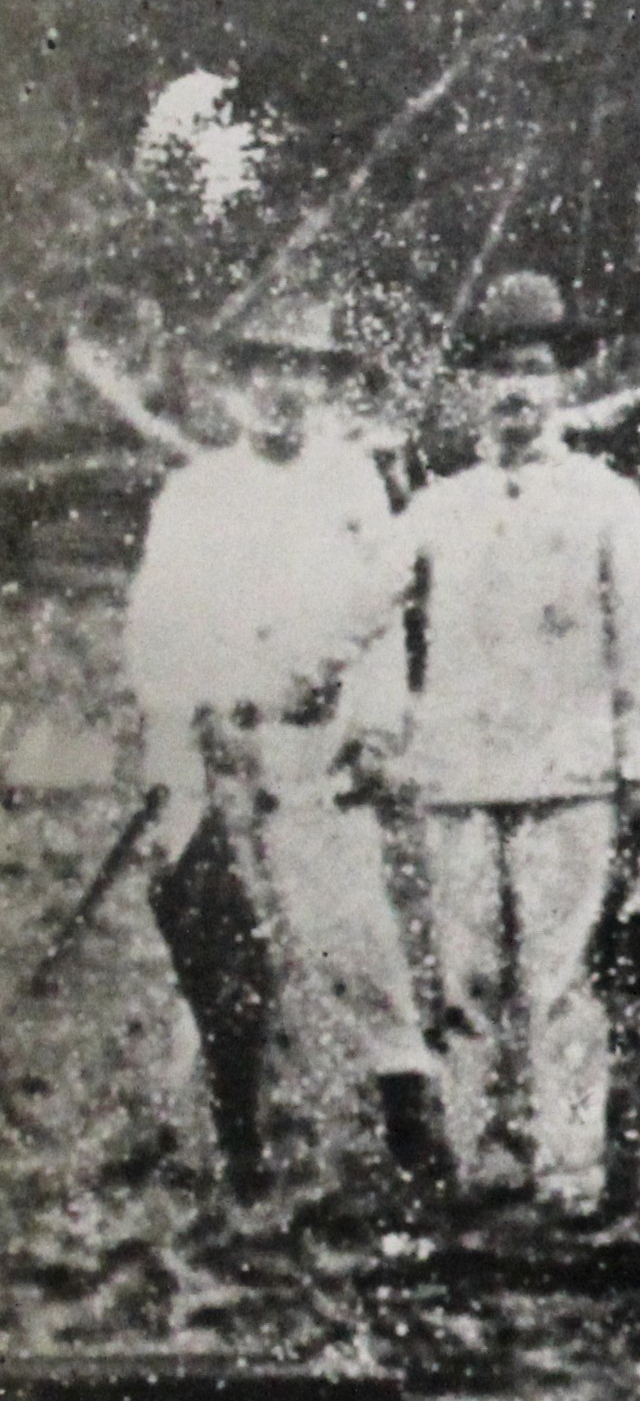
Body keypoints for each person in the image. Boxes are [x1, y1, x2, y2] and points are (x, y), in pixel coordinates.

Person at [125, 294, 446, 1207]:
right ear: (235, 383)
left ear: (325, 383)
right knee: (222, 956)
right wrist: (193, 716)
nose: (282, 387)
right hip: (219, 749)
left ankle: (408, 1111)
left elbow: (381, 619)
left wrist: (378, 727)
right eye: (266, 367)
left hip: (320, 744)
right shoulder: (196, 493)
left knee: (356, 931)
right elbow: (155, 624)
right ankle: (223, 1142)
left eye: (302, 369)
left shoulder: (351, 485)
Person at [355, 272, 640, 1224]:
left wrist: (639, 768)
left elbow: (638, 647)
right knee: (468, 974)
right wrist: (284, 670)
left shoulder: (609, 500)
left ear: (566, 382)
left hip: (570, 773)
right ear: (472, 389)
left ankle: (572, 1166)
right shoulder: (441, 505)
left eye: (535, 369)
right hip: (460, 773)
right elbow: (363, 602)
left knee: (564, 978)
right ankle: (482, 1148)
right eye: (498, 372)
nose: (517, 390)